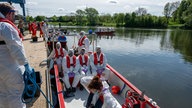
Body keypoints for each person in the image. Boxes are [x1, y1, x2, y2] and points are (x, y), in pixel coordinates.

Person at [0, 3, 34, 108]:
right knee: (15, 94)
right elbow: (16, 48)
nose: (14, 17)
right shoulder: (5, 26)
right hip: (10, 67)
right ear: (9, 14)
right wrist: (25, 64)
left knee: (2, 93)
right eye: (14, 14)